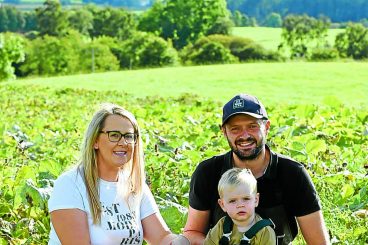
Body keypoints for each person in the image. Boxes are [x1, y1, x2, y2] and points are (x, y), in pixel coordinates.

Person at [183, 94, 330, 245]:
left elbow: (319, 242)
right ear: (224, 132)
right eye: (235, 129)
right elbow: (192, 233)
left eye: (252, 126)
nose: (244, 135)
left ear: (266, 128)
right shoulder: (208, 172)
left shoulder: (292, 173)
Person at [48, 103, 189, 245]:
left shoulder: (134, 185)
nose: (123, 142)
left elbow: (161, 237)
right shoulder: (70, 185)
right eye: (114, 135)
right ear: (95, 141)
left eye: (129, 136)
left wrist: (184, 241)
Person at [204, 168, 276, 245]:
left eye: (246, 199)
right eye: (232, 201)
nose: (240, 205)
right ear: (223, 205)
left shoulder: (265, 231)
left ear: (256, 200)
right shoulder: (221, 226)